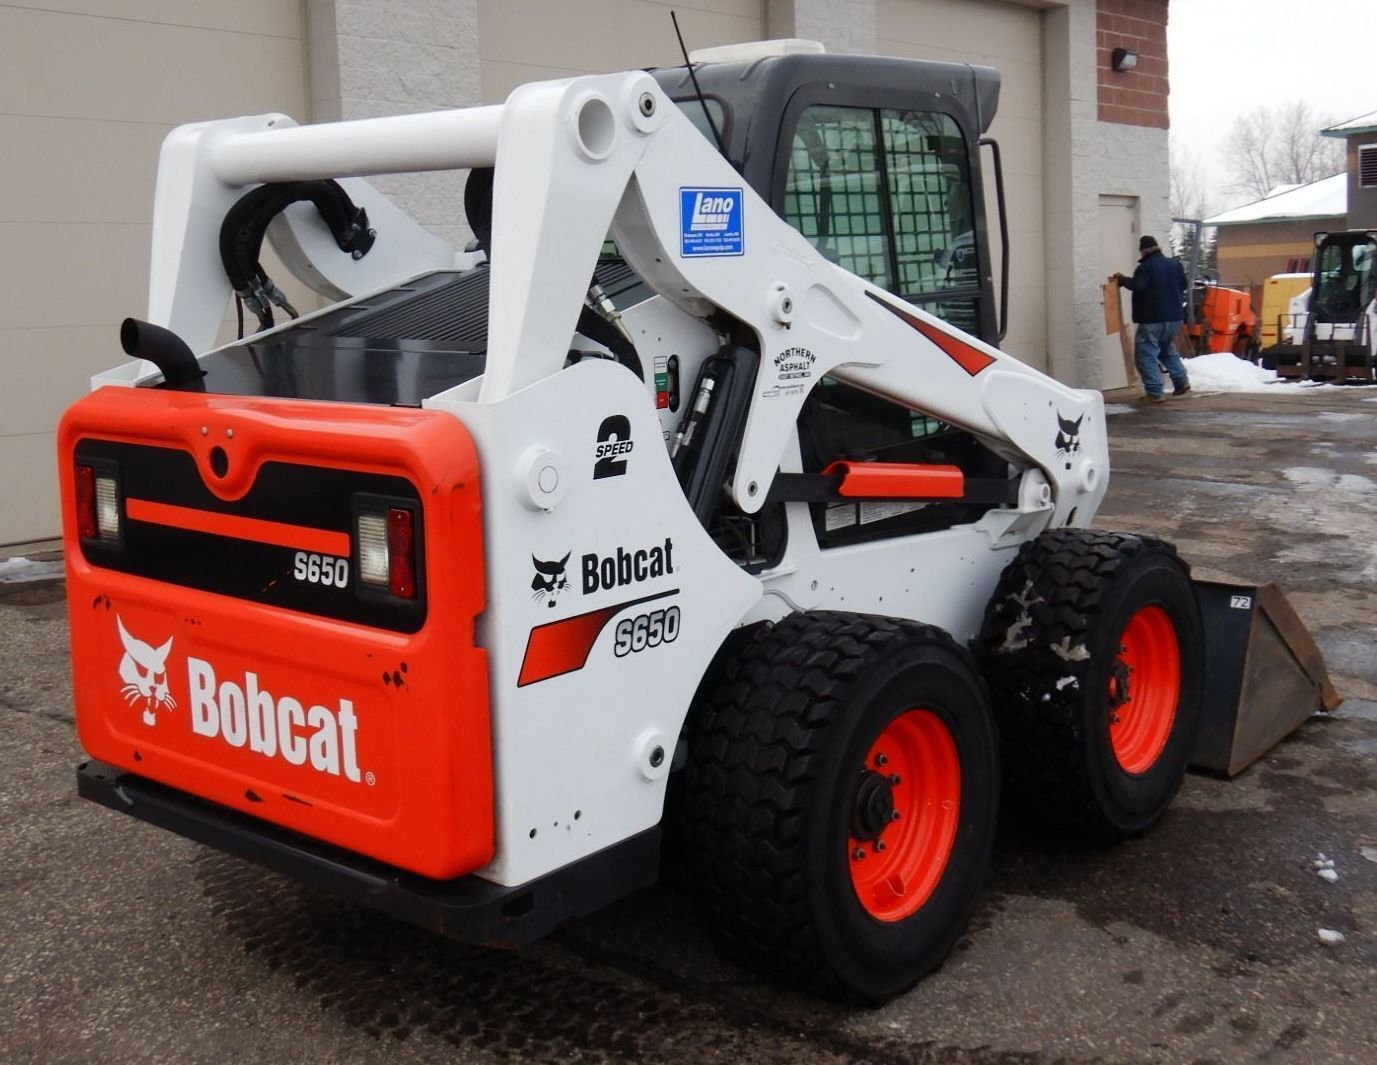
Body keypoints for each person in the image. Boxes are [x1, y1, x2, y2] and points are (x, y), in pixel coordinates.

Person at [1114, 236, 1190, 403]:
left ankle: (1155, 392)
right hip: (1174, 318)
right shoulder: (1174, 265)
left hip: (1152, 319)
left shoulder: (1145, 267)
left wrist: (1122, 280)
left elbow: (1138, 285)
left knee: (1146, 354)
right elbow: (1183, 285)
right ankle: (1181, 381)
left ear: (1144, 251)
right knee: (1166, 350)